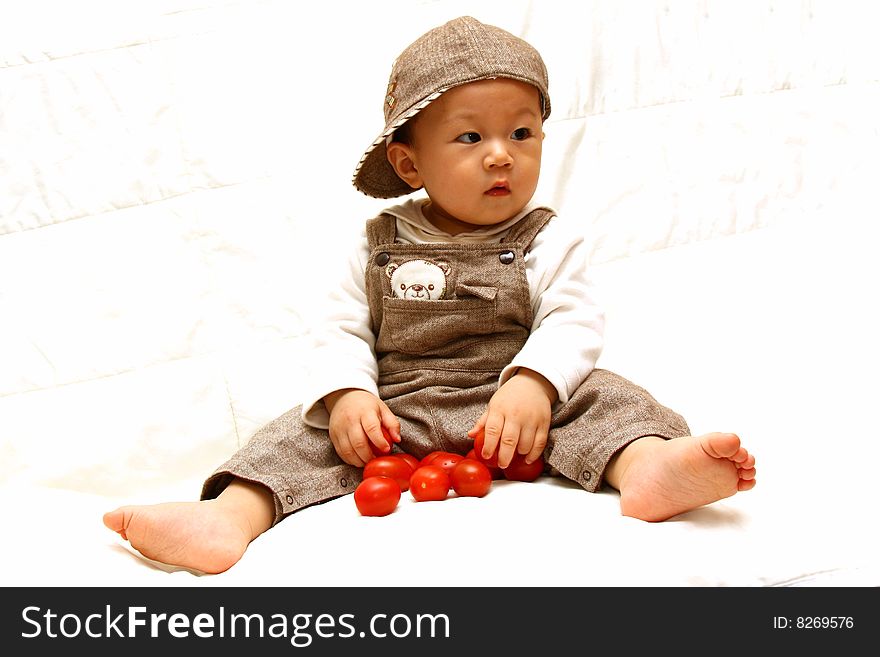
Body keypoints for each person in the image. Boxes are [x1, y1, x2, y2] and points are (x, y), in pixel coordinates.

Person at [103, 16, 756, 574]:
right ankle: (229, 515)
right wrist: (349, 395)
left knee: (605, 396)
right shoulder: (375, 240)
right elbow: (339, 328)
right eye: (471, 137)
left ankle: (645, 466)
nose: (501, 156)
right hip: (398, 406)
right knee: (299, 432)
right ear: (410, 163)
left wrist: (534, 382)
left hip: (514, 409)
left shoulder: (545, 237)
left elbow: (573, 317)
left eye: (521, 134)